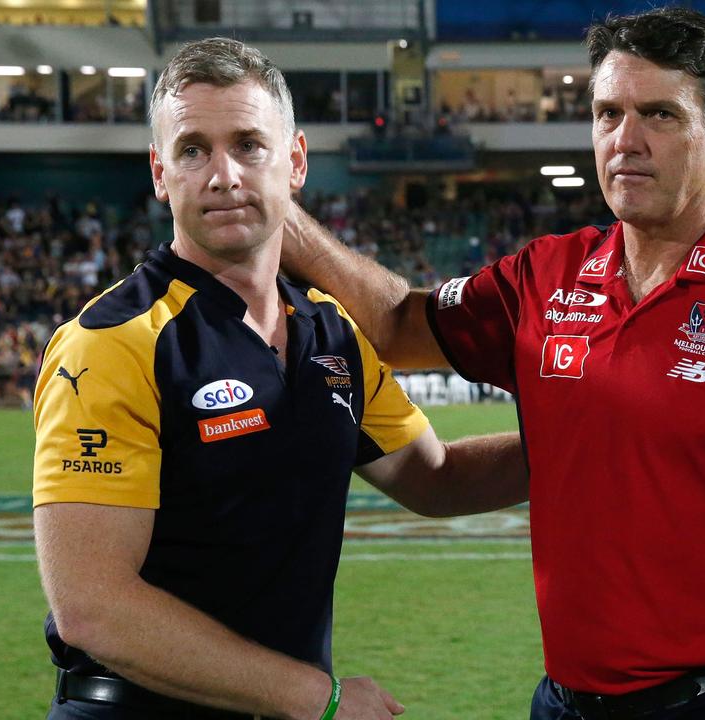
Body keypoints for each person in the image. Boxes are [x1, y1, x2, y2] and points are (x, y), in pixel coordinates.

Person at [281, 8, 705, 720]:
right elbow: (401, 325)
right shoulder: (545, 277)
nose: (626, 141)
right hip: (566, 702)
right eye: (607, 113)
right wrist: (275, 209)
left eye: (659, 115)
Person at [32, 37, 527, 720]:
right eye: (193, 149)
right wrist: (315, 699)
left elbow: (435, 477)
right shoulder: (111, 344)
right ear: (159, 171)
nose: (223, 175)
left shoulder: (331, 331)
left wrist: (586, 434)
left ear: (294, 162)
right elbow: (94, 609)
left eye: (248, 144)